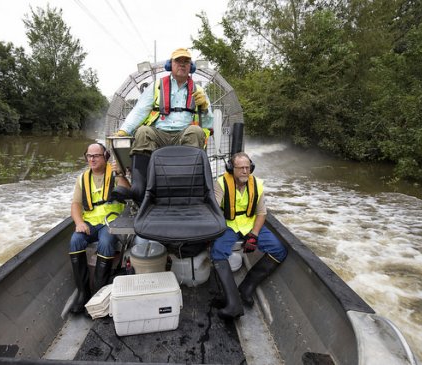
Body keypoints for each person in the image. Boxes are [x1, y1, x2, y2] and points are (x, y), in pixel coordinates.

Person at [111, 47, 214, 203]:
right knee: (143, 131)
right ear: (170, 65)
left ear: (190, 66)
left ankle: (187, 188)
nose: (182, 64)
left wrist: (205, 108)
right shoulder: (156, 87)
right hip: (160, 133)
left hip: (184, 134)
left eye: (186, 61)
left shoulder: (198, 90)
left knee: (196, 131)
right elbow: (139, 111)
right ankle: (140, 188)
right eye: (178, 61)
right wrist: (124, 130)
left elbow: (208, 124)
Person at [210, 152, 288, 320]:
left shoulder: (257, 185)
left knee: (279, 250)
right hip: (229, 224)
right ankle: (233, 302)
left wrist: (254, 235)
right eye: (241, 168)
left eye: (248, 167)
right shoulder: (221, 184)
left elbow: (261, 213)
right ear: (231, 169)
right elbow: (214, 210)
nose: (245, 171)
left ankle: (246, 287)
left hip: (251, 224)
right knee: (217, 251)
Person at [68, 142, 130, 314]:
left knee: (105, 242)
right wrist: (79, 223)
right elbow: (75, 205)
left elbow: (129, 191)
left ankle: (98, 295)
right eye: (89, 156)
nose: (92, 159)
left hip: (109, 222)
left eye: (96, 155)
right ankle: (83, 293)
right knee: (75, 241)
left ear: (105, 157)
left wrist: (120, 173)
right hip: (89, 223)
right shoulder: (82, 178)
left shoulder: (115, 174)